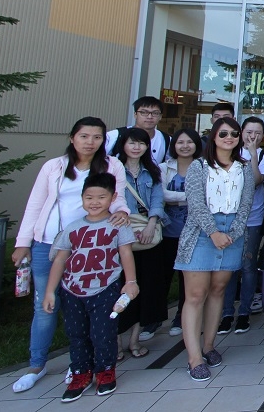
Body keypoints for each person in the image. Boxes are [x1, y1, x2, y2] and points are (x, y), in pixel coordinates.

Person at [11, 117, 129, 394]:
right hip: (47, 242)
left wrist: (122, 212)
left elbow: (118, 197)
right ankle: (36, 365)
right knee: (45, 305)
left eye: (97, 137)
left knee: (84, 308)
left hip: (90, 247)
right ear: (72, 138)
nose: (90, 142)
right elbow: (36, 204)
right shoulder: (54, 167)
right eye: (84, 136)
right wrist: (23, 242)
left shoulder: (112, 165)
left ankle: (80, 364)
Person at [43, 173, 139, 401]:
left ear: (113, 198)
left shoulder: (118, 225)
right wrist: (50, 291)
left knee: (102, 334)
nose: (95, 202)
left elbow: (126, 253)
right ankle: (80, 373)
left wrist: (131, 282)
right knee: (76, 334)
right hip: (72, 291)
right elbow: (60, 259)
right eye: (89, 197)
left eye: (101, 197)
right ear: (82, 198)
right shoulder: (73, 227)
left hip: (105, 289)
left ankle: (105, 372)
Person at [174, 116, 256, 382]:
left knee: (218, 290)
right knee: (195, 294)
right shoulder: (199, 166)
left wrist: (233, 232)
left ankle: (209, 345)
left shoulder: (244, 168)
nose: (229, 138)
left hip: (232, 231)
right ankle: (194, 357)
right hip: (201, 232)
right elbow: (195, 203)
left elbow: (246, 203)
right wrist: (213, 232)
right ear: (213, 137)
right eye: (223, 134)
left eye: (234, 133)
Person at [114, 127, 167, 359]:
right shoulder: (113, 169)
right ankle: (116, 342)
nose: (137, 147)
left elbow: (157, 200)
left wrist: (151, 225)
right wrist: (126, 231)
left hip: (148, 233)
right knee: (118, 286)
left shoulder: (152, 171)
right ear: (123, 145)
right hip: (120, 234)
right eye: (132, 142)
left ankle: (134, 341)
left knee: (144, 287)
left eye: (142, 143)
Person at [220, 116, 264, 335]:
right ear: (241, 132)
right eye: (249, 132)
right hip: (227, 217)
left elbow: (256, 180)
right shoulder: (228, 151)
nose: (253, 136)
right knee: (228, 266)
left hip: (252, 218)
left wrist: (252, 154)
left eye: (258, 133)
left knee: (248, 265)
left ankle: (244, 312)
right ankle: (226, 313)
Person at [160, 128, 203, 337]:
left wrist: (176, 198)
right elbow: (161, 195)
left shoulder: (204, 166)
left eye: (189, 142)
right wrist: (190, 196)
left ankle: (180, 317)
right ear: (174, 145)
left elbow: (204, 196)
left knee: (188, 278)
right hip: (168, 229)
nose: (185, 146)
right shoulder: (163, 167)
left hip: (195, 230)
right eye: (180, 142)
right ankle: (155, 319)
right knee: (163, 275)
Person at [105, 96, 170, 166]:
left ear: (160, 116)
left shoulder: (167, 140)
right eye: (144, 112)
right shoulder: (115, 136)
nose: (149, 117)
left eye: (155, 113)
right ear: (135, 114)